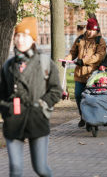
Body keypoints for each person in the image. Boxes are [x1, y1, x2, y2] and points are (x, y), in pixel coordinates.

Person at [0, 17, 62, 177]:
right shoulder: (8, 65)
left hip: (37, 119)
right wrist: (6, 110)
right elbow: (2, 92)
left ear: (33, 39)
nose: (21, 40)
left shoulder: (44, 62)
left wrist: (42, 105)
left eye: (25, 36)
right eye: (18, 36)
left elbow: (56, 90)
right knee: (15, 169)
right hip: (13, 120)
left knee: (40, 168)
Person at [64, 18, 107, 127]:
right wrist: (67, 59)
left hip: (92, 74)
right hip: (79, 74)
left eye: (94, 30)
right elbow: (72, 52)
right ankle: (83, 116)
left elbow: (99, 56)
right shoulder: (80, 39)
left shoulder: (99, 41)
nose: (91, 32)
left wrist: (84, 61)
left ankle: (91, 118)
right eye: (90, 30)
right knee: (78, 96)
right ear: (87, 29)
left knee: (91, 97)